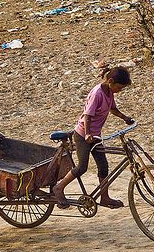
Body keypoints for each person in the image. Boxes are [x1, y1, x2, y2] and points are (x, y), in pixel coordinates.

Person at [53, 66, 134, 209]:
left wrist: (124, 118)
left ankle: (105, 197)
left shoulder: (109, 92)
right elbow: (88, 115)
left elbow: (112, 108)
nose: (120, 90)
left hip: (95, 136)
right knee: (82, 167)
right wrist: (88, 133)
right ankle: (59, 188)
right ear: (110, 81)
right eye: (119, 87)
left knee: (103, 166)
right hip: (83, 134)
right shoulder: (97, 93)